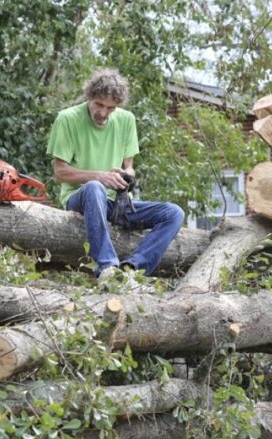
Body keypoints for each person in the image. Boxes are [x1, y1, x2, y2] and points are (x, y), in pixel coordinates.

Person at [47, 68, 184, 280]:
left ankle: (132, 270)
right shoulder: (67, 119)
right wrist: (99, 176)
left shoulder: (127, 120)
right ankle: (107, 267)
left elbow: (130, 167)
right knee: (94, 187)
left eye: (110, 108)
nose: (103, 113)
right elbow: (60, 172)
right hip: (81, 199)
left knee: (174, 213)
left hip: (116, 204)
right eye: (99, 104)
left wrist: (125, 174)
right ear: (90, 97)